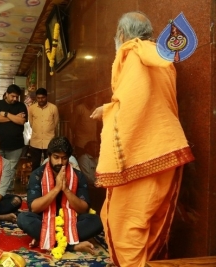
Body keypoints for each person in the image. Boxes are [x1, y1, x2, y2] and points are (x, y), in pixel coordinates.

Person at [89, 12, 194, 267]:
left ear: (123, 34)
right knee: (152, 220)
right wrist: (109, 107)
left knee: (123, 222)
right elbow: (147, 98)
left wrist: (110, 110)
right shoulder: (161, 56)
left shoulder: (131, 52)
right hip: (169, 147)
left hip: (142, 152)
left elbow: (134, 105)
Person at [17, 136, 103, 254]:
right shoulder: (37, 174)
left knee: (97, 221)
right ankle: (72, 245)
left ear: (69, 158)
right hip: (44, 219)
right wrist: (56, 189)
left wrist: (66, 189)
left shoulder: (78, 175)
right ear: (49, 156)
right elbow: (34, 207)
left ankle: (46, 238)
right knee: (23, 219)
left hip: (72, 221)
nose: (60, 162)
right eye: (56, 157)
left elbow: (83, 209)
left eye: (64, 158)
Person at [0, 84, 28, 190]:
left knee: (10, 169)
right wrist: (15, 117)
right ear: (6, 94)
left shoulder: (21, 106)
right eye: (12, 96)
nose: (15, 99)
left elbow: (21, 121)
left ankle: (7, 191)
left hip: (16, 145)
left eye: (17, 97)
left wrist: (6, 114)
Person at [28, 88, 59, 171]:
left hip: (49, 141)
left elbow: (55, 123)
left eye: (43, 98)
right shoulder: (32, 108)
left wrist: (47, 129)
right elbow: (31, 123)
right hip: (35, 141)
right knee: (35, 164)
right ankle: (36, 182)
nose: (40, 100)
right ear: (36, 98)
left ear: (46, 97)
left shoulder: (53, 108)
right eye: (38, 98)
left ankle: (48, 182)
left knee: (49, 164)